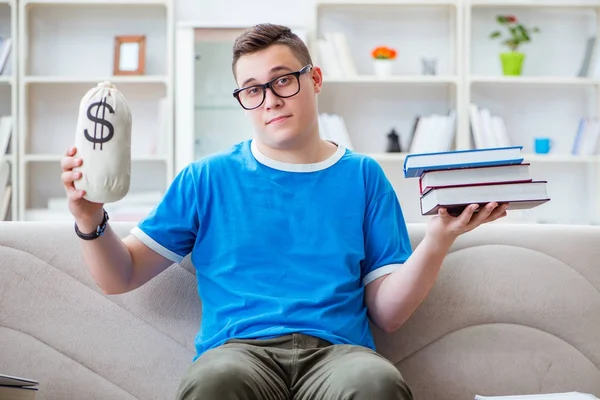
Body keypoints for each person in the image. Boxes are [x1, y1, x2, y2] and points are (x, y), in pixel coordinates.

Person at [60, 23, 508, 400]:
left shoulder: (364, 177)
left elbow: (387, 313)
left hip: (338, 354)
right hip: (237, 353)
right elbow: (119, 276)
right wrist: (88, 218)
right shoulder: (206, 178)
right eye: (252, 89)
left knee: (376, 382)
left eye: (282, 80)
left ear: (314, 80)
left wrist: (439, 238)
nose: (270, 99)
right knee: (214, 382)